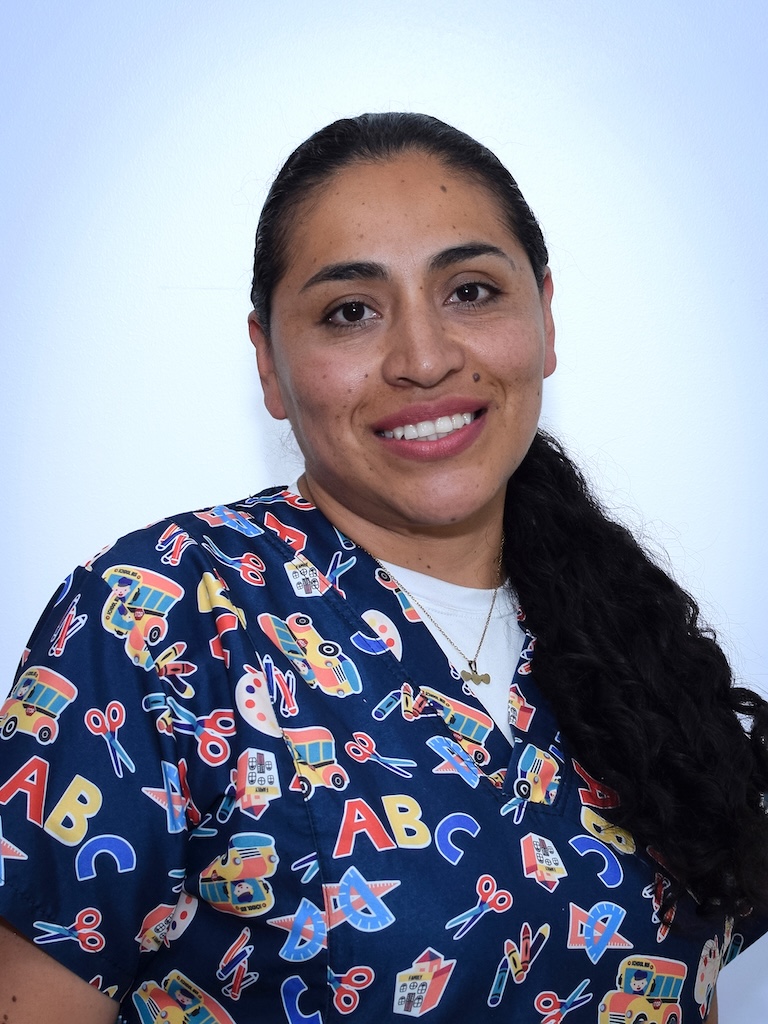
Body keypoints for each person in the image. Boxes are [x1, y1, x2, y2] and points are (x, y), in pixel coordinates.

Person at [0, 112, 765, 1023]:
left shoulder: (628, 632)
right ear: (269, 363)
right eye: (350, 312)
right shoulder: (160, 617)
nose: (424, 359)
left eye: (471, 292)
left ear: (545, 317)